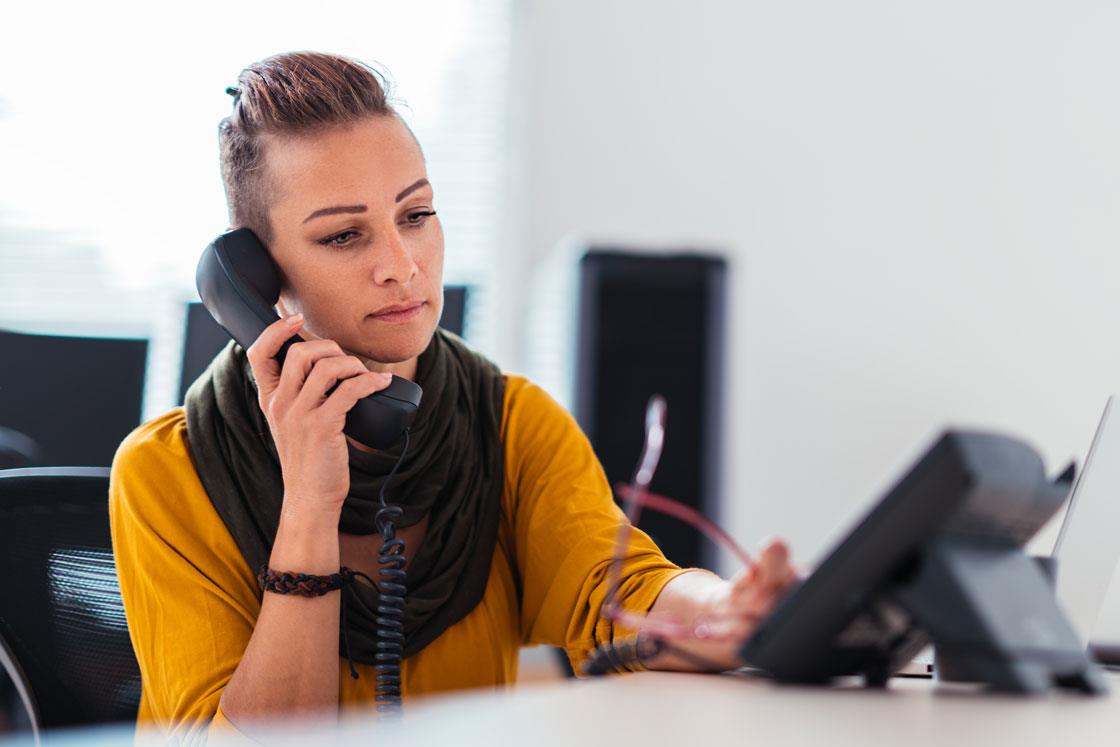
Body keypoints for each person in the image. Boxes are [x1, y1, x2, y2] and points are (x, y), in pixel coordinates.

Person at [108, 51, 797, 743]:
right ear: (256, 280)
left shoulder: (510, 421)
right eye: (345, 234)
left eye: (416, 213)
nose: (402, 265)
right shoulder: (167, 470)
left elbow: (620, 596)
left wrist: (731, 606)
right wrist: (310, 505)